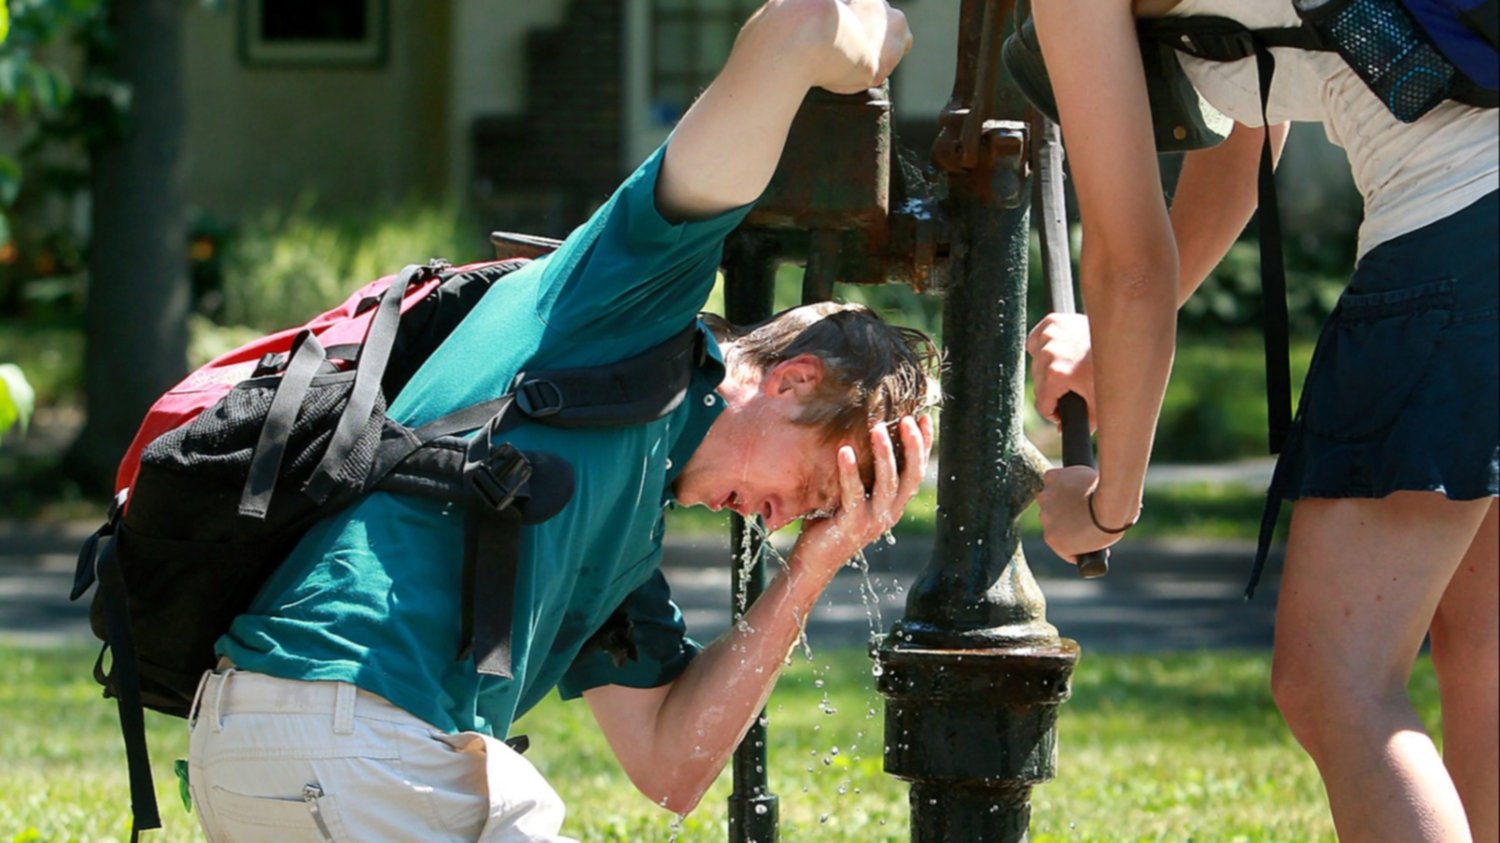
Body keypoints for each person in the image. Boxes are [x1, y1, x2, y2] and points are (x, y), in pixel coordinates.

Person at [183, 1, 936, 840]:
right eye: (812, 487)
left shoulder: (620, 534)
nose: (782, 517)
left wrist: (814, 563)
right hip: (356, 738)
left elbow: (670, 766)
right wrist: (871, 46)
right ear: (795, 380)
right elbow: (799, 25)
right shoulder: (627, 302)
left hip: (253, 746)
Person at [1020, 1, 1497, 841]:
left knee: (1335, 681)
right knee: (1487, 656)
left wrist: (1107, 504)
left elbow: (1128, 265)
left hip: (1458, 231)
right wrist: (1109, 351)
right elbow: (1243, 148)